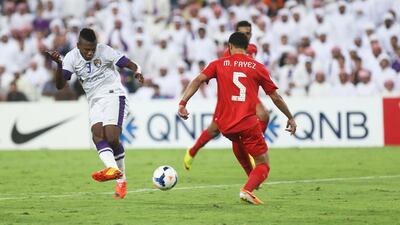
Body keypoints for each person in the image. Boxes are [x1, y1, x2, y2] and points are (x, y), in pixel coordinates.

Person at [178, 32, 296, 204]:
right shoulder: (257, 67)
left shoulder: (218, 64)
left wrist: (182, 103)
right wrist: (290, 117)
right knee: (264, 164)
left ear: (229, 47)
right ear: (247, 48)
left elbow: (197, 81)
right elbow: (275, 97)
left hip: (225, 127)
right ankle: (247, 189)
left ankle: (250, 177)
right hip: (247, 124)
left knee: (238, 142)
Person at [47, 28, 143, 200]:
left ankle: (118, 175)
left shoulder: (105, 51)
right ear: (78, 46)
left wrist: (137, 71)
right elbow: (61, 85)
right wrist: (59, 64)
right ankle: (118, 176)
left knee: (112, 138)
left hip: (113, 94)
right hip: (94, 101)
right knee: (97, 136)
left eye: (92, 48)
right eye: (86, 49)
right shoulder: (70, 57)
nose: (90, 52)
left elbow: (129, 63)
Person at [184, 21, 270, 177]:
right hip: (230, 97)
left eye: (248, 33)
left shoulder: (253, 49)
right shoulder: (227, 54)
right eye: (243, 33)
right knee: (214, 129)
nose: (246, 35)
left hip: (247, 94)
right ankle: (192, 151)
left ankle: (253, 145)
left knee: (264, 115)